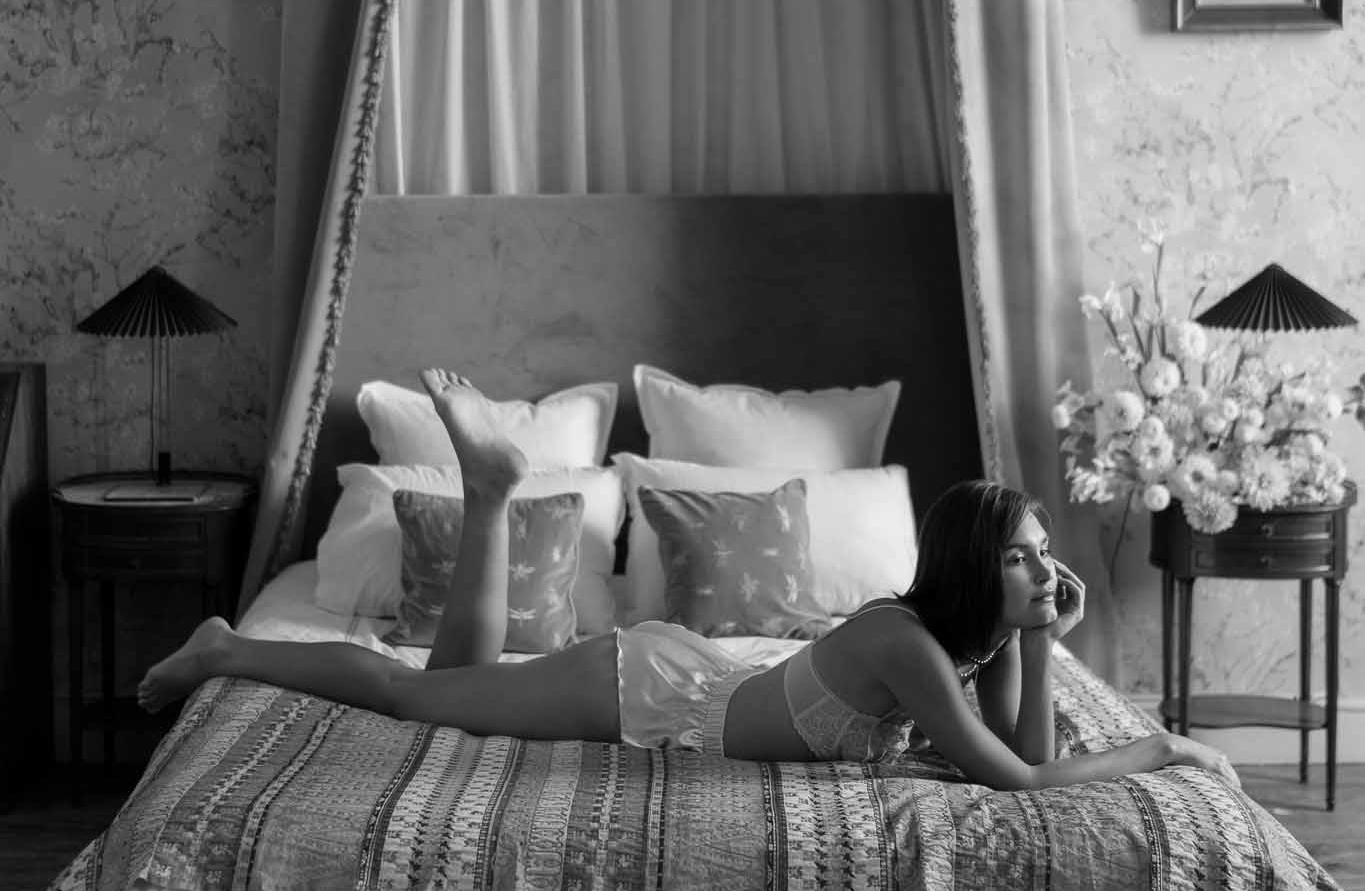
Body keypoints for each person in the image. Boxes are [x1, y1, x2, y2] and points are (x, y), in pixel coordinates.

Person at [138, 372, 1239, 792]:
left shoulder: (962, 643)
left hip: (699, 679)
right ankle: (230, 648)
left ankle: (487, 492)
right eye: (1022, 556)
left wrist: (1039, 634)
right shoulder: (909, 645)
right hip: (654, 689)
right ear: (965, 564)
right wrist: (1170, 743)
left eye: (1043, 554)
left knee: (451, 674)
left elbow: (1029, 752)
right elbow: (1022, 781)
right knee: (414, 690)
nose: (1044, 570)